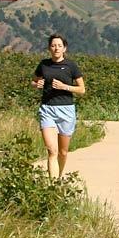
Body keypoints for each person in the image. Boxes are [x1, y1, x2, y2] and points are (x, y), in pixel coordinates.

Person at [31, 34, 85, 179]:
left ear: (64, 48)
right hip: (47, 109)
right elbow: (34, 81)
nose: (56, 48)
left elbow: (82, 89)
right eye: (53, 45)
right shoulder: (44, 64)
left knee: (63, 152)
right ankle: (53, 186)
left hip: (66, 110)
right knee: (52, 150)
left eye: (59, 46)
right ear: (49, 48)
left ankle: (59, 177)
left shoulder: (71, 66)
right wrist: (37, 85)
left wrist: (65, 87)